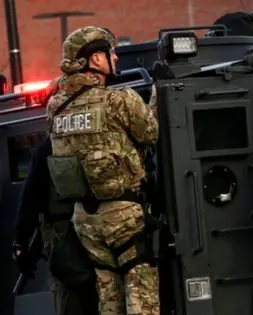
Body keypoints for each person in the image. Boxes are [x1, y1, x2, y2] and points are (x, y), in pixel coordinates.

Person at [46, 26, 160, 315]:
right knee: (141, 299)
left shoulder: (56, 107)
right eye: (110, 53)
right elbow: (152, 133)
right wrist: (159, 94)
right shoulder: (118, 101)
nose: (116, 57)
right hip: (124, 217)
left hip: (85, 220)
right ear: (95, 60)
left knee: (109, 299)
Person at [12, 77, 100, 315]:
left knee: (70, 302)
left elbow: (30, 199)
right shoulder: (98, 137)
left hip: (65, 239)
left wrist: (21, 242)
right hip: (102, 235)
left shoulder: (49, 147)